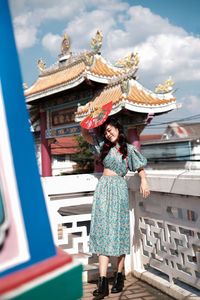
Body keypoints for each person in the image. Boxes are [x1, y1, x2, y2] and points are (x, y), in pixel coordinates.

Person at [81, 117, 150, 300]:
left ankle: (119, 275)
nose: (108, 133)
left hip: (119, 190)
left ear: (119, 129)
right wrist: (85, 122)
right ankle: (102, 283)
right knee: (102, 231)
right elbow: (86, 135)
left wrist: (143, 180)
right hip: (103, 189)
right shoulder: (103, 146)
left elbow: (140, 167)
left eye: (110, 130)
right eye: (105, 131)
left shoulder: (129, 150)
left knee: (118, 231)